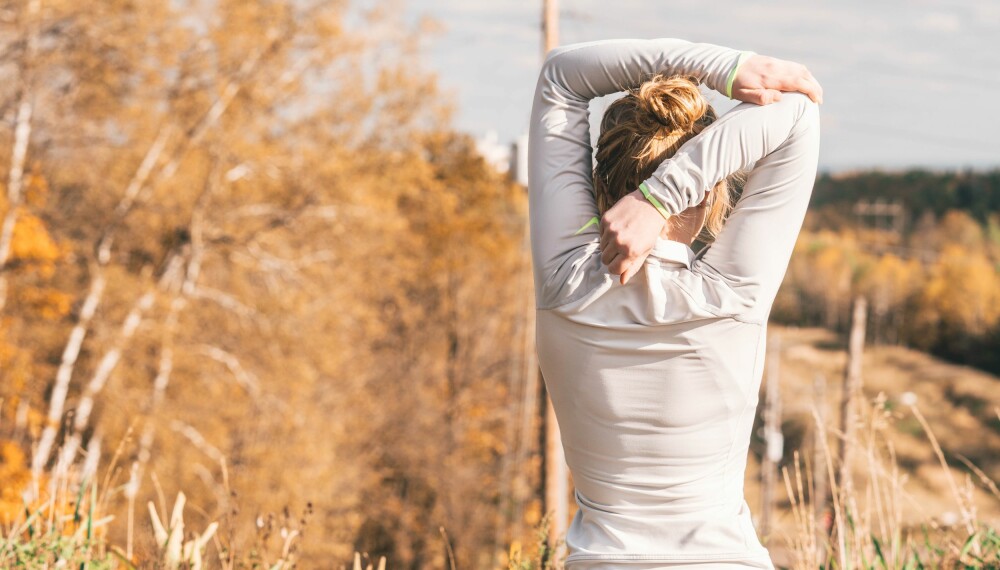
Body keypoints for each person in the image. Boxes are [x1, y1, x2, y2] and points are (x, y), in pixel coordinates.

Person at [527, 38, 822, 569]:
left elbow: (562, 77)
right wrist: (662, 196)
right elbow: (797, 113)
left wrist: (726, 69)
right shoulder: (731, 297)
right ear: (710, 192)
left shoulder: (563, 283)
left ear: (596, 185)